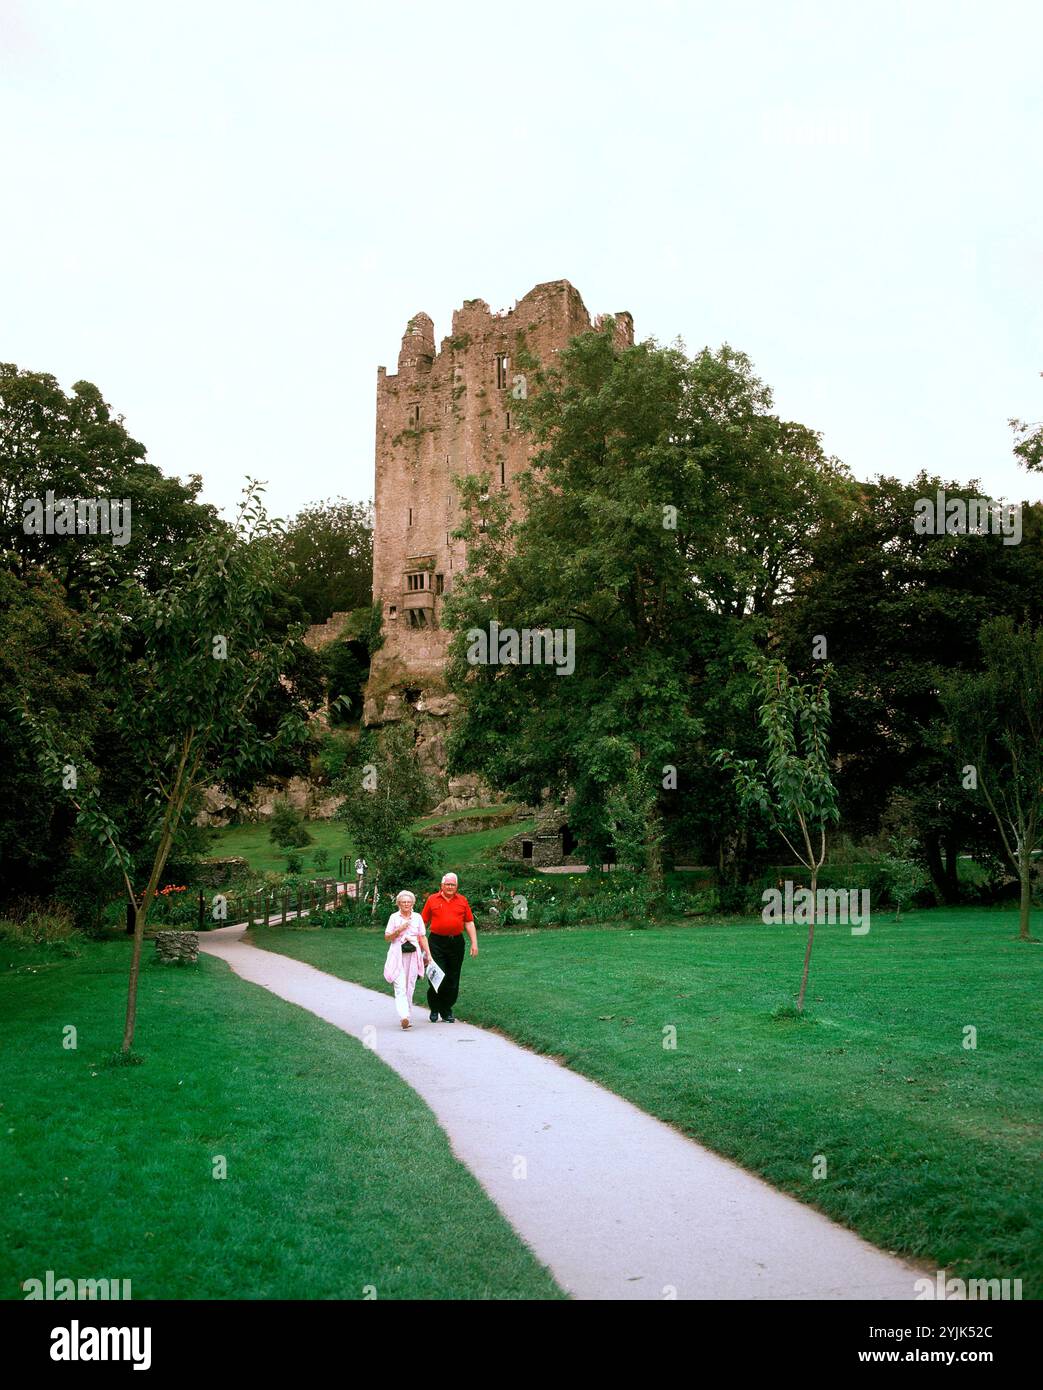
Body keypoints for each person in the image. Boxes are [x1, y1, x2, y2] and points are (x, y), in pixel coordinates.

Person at [420, 872, 477, 1023]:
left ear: (456, 886)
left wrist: (474, 943)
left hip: (456, 943)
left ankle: (446, 1010)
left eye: (453, 885)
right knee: (437, 976)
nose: (450, 887)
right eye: (447, 884)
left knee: (453, 978)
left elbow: (469, 922)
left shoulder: (462, 900)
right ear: (442, 885)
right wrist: (419, 943)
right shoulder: (432, 899)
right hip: (436, 943)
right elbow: (422, 923)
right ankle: (434, 1008)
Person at [383, 890, 431, 1030]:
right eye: (403, 902)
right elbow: (387, 938)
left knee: (410, 985)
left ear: (412, 903)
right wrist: (399, 930)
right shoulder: (394, 917)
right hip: (397, 954)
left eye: (408, 902)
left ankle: (407, 1016)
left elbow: (422, 936)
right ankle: (403, 1015)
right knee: (400, 985)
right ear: (398, 903)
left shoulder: (417, 917)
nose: (406, 904)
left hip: (413, 955)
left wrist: (428, 954)